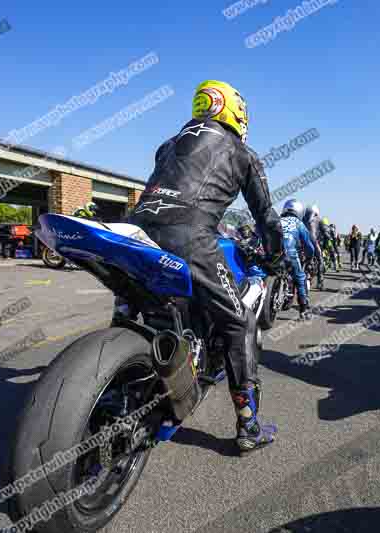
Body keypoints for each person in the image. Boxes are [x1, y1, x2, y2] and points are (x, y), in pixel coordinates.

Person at [129, 80, 284, 453]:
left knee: (133, 302)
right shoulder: (241, 152)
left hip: (135, 231)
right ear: (235, 112)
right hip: (191, 239)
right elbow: (267, 219)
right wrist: (276, 257)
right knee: (240, 320)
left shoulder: (168, 145)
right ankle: (248, 424)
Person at [280, 199, 315, 318]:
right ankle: (303, 310)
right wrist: (309, 258)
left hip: (271, 252)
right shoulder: (299, 223)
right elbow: (309, 246)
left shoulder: (277, 220)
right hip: (290, 253)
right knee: (300, 278)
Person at [304, 204, 324, 290]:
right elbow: (325, 231)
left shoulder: (303, 218)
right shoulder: (319, 220)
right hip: (314, 242)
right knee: (320, 260)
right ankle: (320, 281)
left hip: (302, 242)